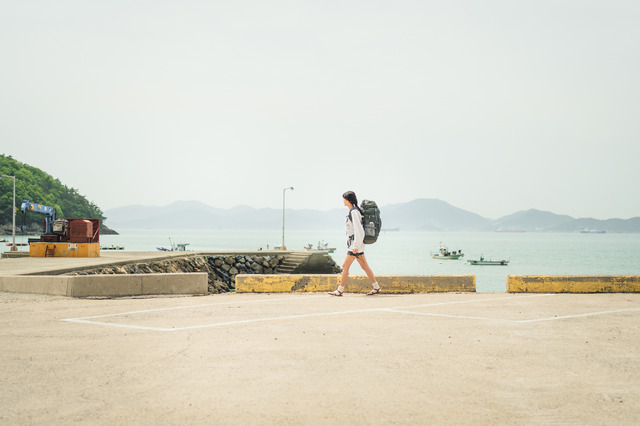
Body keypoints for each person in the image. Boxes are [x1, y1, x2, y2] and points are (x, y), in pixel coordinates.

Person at [329, 191, 381, 296]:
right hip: (356, 245)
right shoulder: (353, 211)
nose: (343, 200)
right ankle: (376, 287)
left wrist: (356, 246)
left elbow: (359, 230)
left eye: (344, 198)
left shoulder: (354, 212)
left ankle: (340, 290)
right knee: (364, 266)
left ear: (348, 200)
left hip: (355, 245)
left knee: (345, 266)